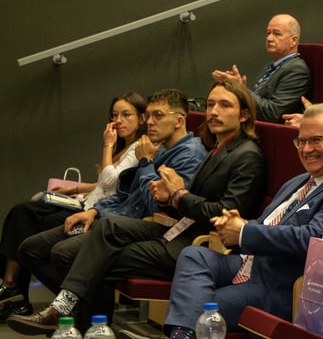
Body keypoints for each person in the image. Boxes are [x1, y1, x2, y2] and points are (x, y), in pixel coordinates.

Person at [119, 105, 323, 339]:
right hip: (252, 264)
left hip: (283, 285)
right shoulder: (300, 181)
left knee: (200, 313)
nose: (306, 149)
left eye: (316, 140)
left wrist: (244, 233)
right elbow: (269, 223)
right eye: (301, 141)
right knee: (194, 255)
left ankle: (182, 334)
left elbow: (314, 239)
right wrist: (238, 223)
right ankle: (183, 334)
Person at [9, 89, 216, 334]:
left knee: (64, 253)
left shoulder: (188, 155)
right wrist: (94, 211)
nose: (149, 122)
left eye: (157, 115)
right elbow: (122, 193)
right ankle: (76, 314)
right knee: (30, 248)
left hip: (145, 227)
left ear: (179, 120)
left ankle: (84, 322)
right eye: (148, 116)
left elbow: (158, 206)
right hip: (112, 217)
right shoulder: (158, 149)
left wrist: (146, 163)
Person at [0, 92, 146, 321]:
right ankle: (13, 288)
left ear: (142, 119)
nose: (119, 120)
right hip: (86, 203)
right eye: (115, 114)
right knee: (23, 213)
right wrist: (75, 189)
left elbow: (110, 182)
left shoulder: (139, 148)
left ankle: (19, 290)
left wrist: (107, 145)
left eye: (126, 114)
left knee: (27, 221)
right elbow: (104, 183)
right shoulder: (125, 145)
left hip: (98, 212)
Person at [212, 14, 311, 123]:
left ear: (293, 40)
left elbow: (273, 113)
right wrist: (237, 87)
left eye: (277, 34)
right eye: (268, 33)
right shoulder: (271, 66)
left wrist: (242, 89)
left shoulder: (297, 70)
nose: (269, 38)